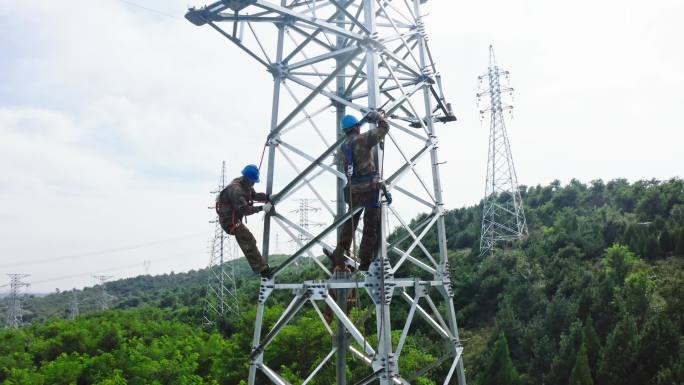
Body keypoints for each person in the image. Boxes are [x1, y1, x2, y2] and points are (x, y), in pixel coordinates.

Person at [326, 110, 389, 272]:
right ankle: (365, 262)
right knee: (370, 226)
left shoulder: (342, 148)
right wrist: (379, 118)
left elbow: (336, 160)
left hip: (354, 191)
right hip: (370, 189)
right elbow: (384, 128)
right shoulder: (363, 139)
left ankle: (339, 252)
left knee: (350, 223)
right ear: (356, 128)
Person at [216, 164, 274, 278]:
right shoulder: (236, 189)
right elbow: (245, 209)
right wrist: (262, 208)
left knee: (250, 239)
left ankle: (262, 267)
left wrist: (268, 197)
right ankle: (262, 270)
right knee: (247, 238)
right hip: (229, 221)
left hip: (234, 217)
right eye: (252, 181)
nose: (253, 184)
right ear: (246, 178)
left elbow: (253, 195)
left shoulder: (245, 184)